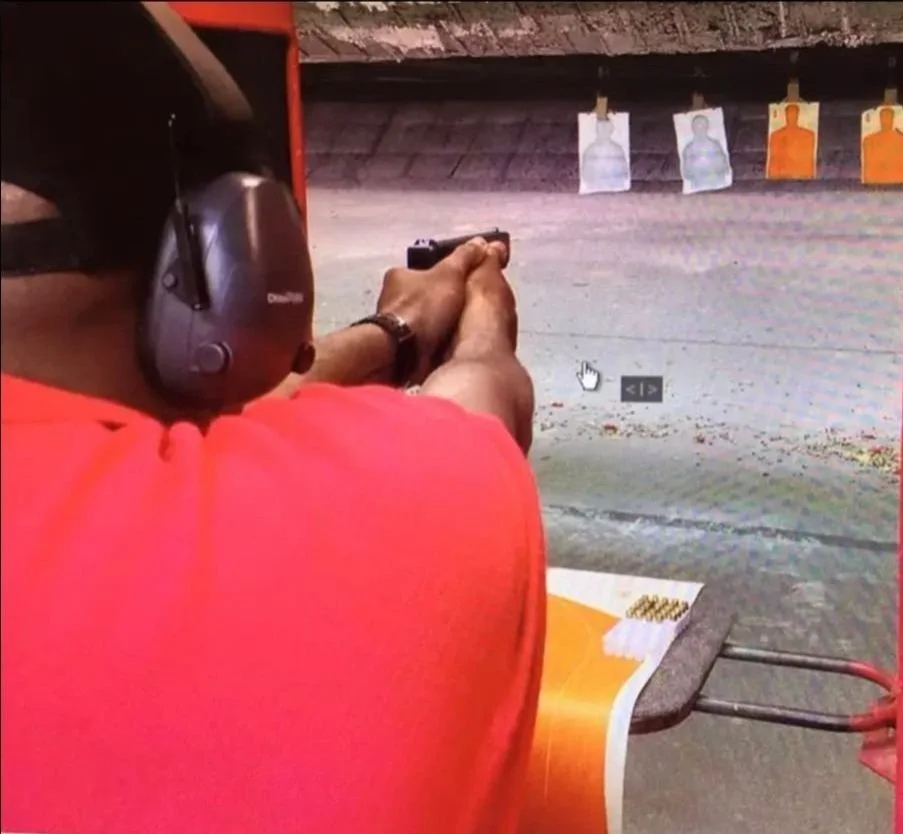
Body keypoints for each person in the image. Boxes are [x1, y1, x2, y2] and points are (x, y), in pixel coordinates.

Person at [0, 4, 546, 834]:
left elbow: (188, 462)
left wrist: (388, 336)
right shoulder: (404, 514)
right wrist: (475, 306)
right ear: (226, 265)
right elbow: (484, 392)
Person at [680, 113, 731, 192]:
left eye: (702, 126)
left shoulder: (715, 145)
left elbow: (725, 168)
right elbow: (686, 174)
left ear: (707, 127)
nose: (700, 129)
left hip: (717, 186)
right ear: (693, 128)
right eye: (697, 126)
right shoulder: (689, 149)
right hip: (698, 188)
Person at [766, 102, 817, 180]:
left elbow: (808, 160)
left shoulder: (808, 135)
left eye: (794, 114)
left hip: (801, 176)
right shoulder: (776, 135)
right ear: (786, 115)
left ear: (798, 115)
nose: (791, 117)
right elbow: (774, 158)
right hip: (781, 176)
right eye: (789, 114)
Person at [580, 117, 630, 193]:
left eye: (606, 128)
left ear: (611, 130)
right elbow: (585, 176)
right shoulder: (590, 150)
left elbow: (624, 175)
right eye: (601, 128)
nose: (603, 130)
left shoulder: (618, 150)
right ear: (596, 129)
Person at [861, 105, 903, 185]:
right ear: (880, 119)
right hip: (876, 179)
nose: (886, 120)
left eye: (888, 117)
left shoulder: (901, 139)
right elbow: (868, 166)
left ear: (893, 119)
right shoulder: (869, 140)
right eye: (883, 117)